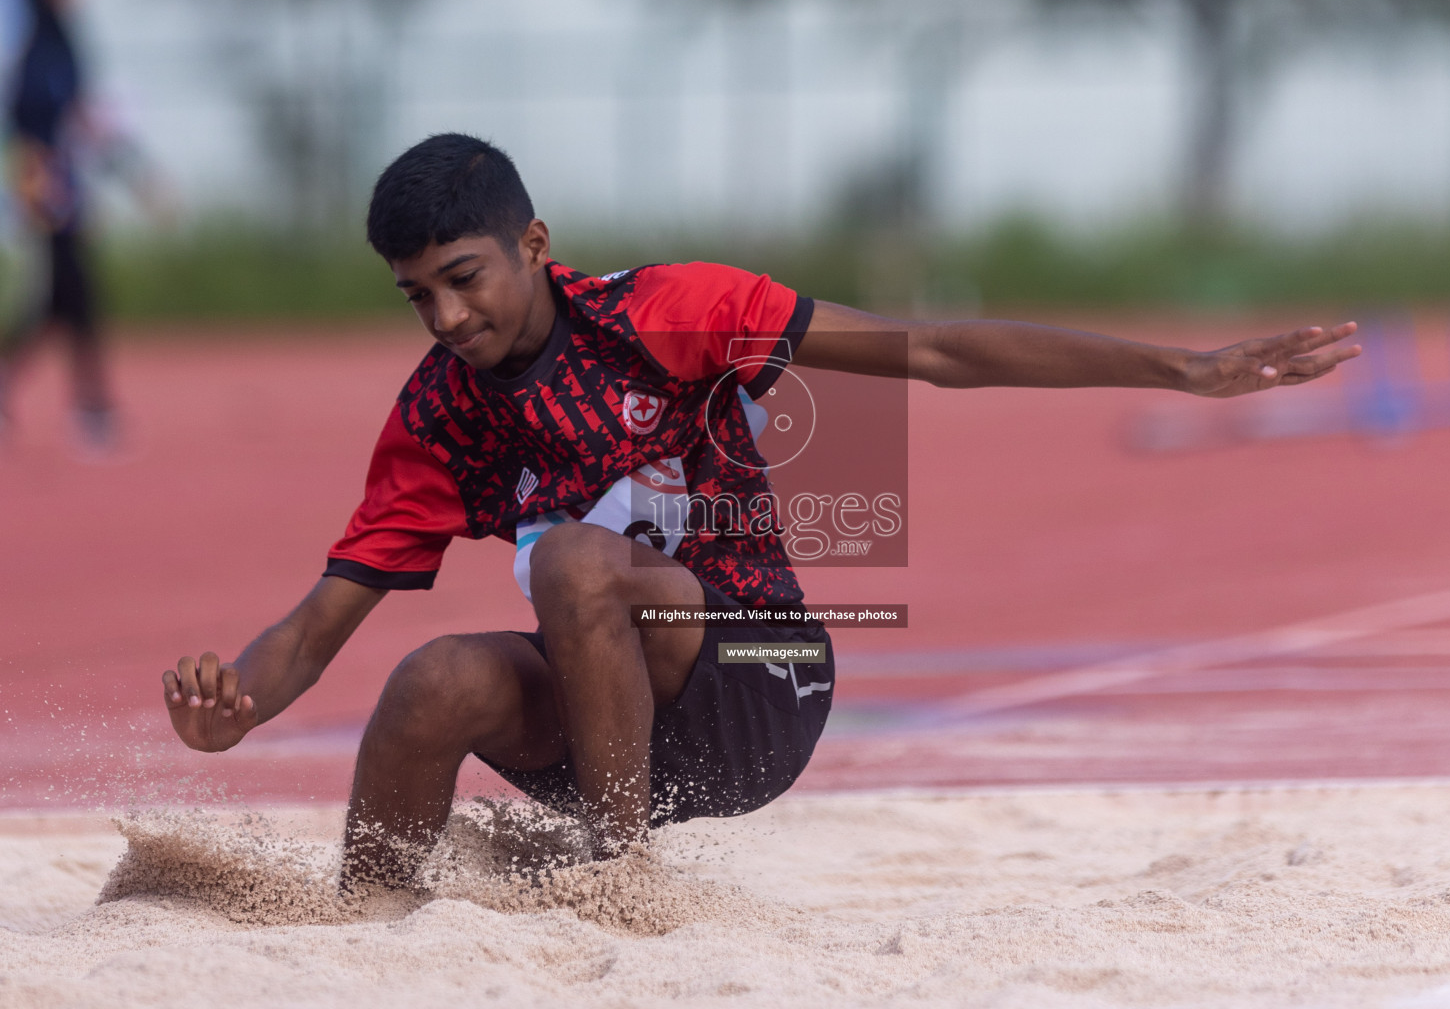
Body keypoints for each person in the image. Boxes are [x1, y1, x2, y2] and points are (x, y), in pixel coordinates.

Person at [161, 133, 1360, 888]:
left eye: (462, 280)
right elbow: (320, 624)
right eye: (415, 296)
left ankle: (619, 880)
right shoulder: (438, 415)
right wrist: (243, 706)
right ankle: (370, 911)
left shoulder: (671, 311)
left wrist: (1181, 370)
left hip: (758, 672)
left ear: (532, 245)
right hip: (602, 709)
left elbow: (933, 350)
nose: (445, 319)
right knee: (429, 682)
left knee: (575, 562)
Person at [0, 0, 162, 453]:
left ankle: (89, 407)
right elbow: (25, 127)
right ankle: (93, 410)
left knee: (60, 299)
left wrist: (136, 175)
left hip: (68, 188)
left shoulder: (66, 42)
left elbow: (86, 122)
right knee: (75, 291)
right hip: (42, 190)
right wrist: (39, 190)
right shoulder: (32, 47)